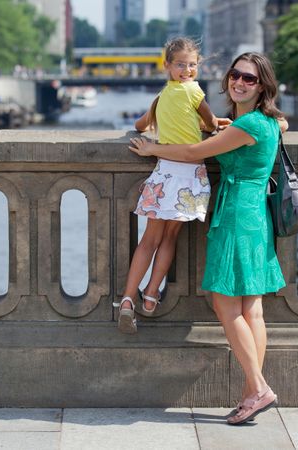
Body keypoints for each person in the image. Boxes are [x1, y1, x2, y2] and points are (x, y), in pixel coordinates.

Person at [128, 52, 288, 425]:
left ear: (262, 85)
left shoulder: (248, 125)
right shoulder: (266, 122)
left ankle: (259, 387)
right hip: (256, 217)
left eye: (249, 79)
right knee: (252, 308)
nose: (239, 82)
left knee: (225, 305)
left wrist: (153, 149)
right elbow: (277, 125)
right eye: (235, 75)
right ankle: (251, 394)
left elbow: (193, 152)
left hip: (235, 216)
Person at [115, 37, 222, 335]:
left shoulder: (162, 96)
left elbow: (140, 126)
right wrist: (210, 124)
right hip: (189, 177)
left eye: (191, 65)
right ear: (168, 66)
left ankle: (127, 299)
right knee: (169, 239)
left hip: (164, 174)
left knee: (148, 240)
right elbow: (212, 123)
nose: (187, 70)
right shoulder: (195, 90)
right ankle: (151, 296)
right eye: (181, 65)